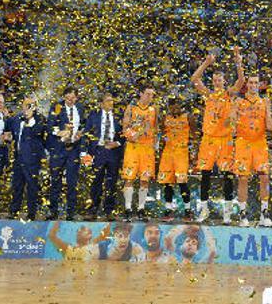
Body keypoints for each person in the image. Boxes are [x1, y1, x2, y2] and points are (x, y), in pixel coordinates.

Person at [191, 47, 245, 223]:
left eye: (219, 80)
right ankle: (204, 210)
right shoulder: (208, 94)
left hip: (225, 139)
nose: (217, 82)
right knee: (205, 174)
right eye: (214, 80)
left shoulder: (229, 94)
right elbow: (194, 79)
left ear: (224, 81)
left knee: (227, 175)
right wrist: (206, 63)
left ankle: (227, 213)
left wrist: (238, 61)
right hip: (208, 139)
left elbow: (242, 80)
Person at [230, 75, 272, 227]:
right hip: (243, 143)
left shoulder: (265, 101)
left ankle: (265, 213)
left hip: (260, 143)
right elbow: (231, 121)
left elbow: (269, 124)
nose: (253, 85)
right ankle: (243, 214)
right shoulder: (238, 101)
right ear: (246, 85)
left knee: (264, 178)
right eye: (251, 82)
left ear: (259, 85)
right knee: (243, 178)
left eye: (256, 82)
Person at [81, 93, 123, 220]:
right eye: (108, 101)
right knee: (96, 181)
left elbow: (124, 134)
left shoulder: (118, 116)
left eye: (112, 100)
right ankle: (93, 209)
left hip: (113, 152)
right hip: (98, 151)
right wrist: (84, 153)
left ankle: (109, 210)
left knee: (112, 182)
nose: (111, 103)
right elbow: (86, 134)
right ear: (101, 104)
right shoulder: (93, 116)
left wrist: (117, 143)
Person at [46, 86, 86, 220]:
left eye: (73, 98)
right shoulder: (56, 107)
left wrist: (80, 133)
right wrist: (59, 132)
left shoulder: (80, 108)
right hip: (58, 148)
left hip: (74, 149)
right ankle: (53, 211)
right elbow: (50, 124)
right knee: (55, 180)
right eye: (68, 98)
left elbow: (83, 124)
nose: (71, 100)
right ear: (64, 97)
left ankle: (71, 212)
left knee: (72, 181)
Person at [121, 83, 158, 221]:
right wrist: (133, 135)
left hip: (147, 149)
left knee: (145, 180)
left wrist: (155, 142)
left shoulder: (154, 109)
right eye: (148, 94)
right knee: (129, 178)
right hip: (133, 147)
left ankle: (141, 209)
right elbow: (125, 127)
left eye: (152, 95)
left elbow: (156, 128)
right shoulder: (131, 108)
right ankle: (128, 208)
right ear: (141, 94)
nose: (150, 97)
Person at [7, 97, 46, 220]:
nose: (28, 108)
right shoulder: (16, 119)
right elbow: (9, 130)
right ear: (22, 106)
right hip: (18, 158)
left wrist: (29, 119)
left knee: (32, 186)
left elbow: (37, 132)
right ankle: (14, 210)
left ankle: (31, 213)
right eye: (26, 105)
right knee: (17, 185)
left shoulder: (40, 120)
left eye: (31, 105)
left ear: (35, 107)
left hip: (32, 159)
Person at [157, 97, 193, 220]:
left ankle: (188, 210)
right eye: (172, 107)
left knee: (182, 182)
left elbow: (195, 135)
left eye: (177, 106)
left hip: (182, 152)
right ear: (169, 108)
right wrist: (160, 154)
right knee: (167, 182)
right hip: (167, 153)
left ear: (181, 106)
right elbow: (162, 136)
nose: (174, 109)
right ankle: (168, 210)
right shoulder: (165, 118)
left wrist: (193, 154)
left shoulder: (188, 117)